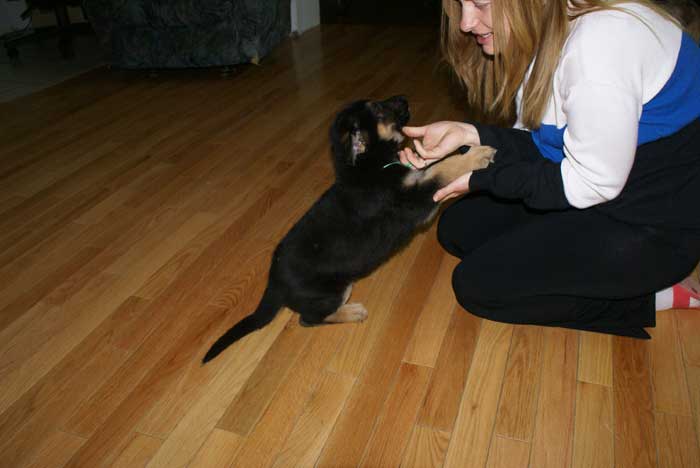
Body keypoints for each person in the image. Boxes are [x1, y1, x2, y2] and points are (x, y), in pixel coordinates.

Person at [399, 0, 700, 337]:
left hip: (653, 227)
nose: (466, 22)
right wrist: (471, 135)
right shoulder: (552, 28)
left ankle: (648, 296)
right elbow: (546, 146)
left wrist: (483, 177)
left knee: (480, 287)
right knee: (457, 228)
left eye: (480, 4)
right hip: (610, 191)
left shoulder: (597, 47)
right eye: (460, 3)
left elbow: (591, 183)